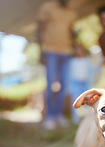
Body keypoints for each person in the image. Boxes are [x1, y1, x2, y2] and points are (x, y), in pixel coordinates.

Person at [37, 0, 77, 129]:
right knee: (51, 84)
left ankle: (58, 115)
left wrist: (74, 46)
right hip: (51, 51)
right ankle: (50, 116)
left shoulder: (71, 13)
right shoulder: (47, 7)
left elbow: (71, 31)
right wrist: (40, 50)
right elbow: (40, 28)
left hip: (66, 53)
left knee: (64, 85)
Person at [67, 43, 99, 123]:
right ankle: (75, 117)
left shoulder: (88, 61)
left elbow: (93, 71)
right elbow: (69, 74)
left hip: (85, 83)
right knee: (75, 99)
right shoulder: (72, 61)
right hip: (75, 83)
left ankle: (88, 117)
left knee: (87, 99)